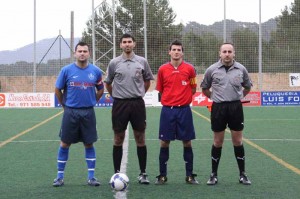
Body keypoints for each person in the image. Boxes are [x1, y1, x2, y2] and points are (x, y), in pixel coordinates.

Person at [104, 33, 154, 184]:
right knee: (118, 138)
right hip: (120, 104)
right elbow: (108, 83)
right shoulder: (114, 63)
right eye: (124, 42)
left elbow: (147, 81)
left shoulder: (142, 61)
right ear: (120, 45)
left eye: (129, 42)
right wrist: (117, 96)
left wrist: (139, 94)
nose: (127, 44)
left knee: (140, 137)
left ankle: (143, 173)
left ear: (134, 44)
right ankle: (116, 173)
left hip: (137, 104)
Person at [52, 41, 104, 187]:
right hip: (71, 112)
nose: (82, 53)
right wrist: (65, 106)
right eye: (79, 51)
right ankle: (59, 177)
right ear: (75, 53)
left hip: (88, 112)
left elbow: (100, 89)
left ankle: (91, 177)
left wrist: (93, 100)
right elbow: (57, 90)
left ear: (89, 53)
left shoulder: (96, 71)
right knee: (65, 143)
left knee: (89, 143)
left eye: (85, 51)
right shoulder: (66, 70)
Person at [200, 42, 252, 185]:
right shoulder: (212, 70)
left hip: (235, 107)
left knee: (238, 141)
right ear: (220, 53)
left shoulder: (241, 69)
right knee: (217, 141)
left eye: (230, 51)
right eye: (224, 51)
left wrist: (239, 96)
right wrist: (214, 98)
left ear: (234, 53)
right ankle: (213, 175)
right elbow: (205, 88)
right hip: (218, 108)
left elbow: (247, 86)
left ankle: (242, 174)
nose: (227, 54)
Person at [155, 40, 199, 185]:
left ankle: (190, 176)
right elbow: (161, 89)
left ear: (182, 52)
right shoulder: (162, 69)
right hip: (168, 110)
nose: (176, 52)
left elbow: (193, 88)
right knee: (164, 142)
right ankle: (162, 175)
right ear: (169, 52)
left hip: (184, 110)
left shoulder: (190, 69)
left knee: (187, 142)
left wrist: (182, 99)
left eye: (179, 50)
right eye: (173, 49)